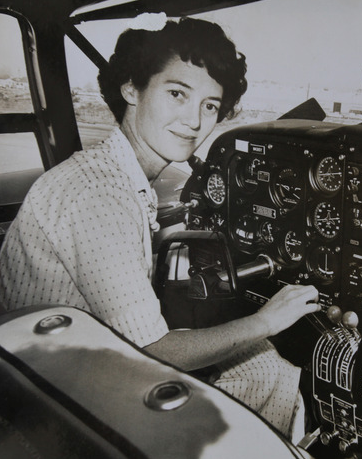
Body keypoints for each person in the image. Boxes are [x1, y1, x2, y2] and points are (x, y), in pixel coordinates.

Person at [0, 17, 319, 440]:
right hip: (48, 401)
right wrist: (267, 320)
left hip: (45, 369)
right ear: (131, 88)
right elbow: (150, 351)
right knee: (264, 368)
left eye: (210, 105)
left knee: (258, 360)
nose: (194, 120)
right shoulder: (100, 194)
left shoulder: (110, 175)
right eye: (176, 94)